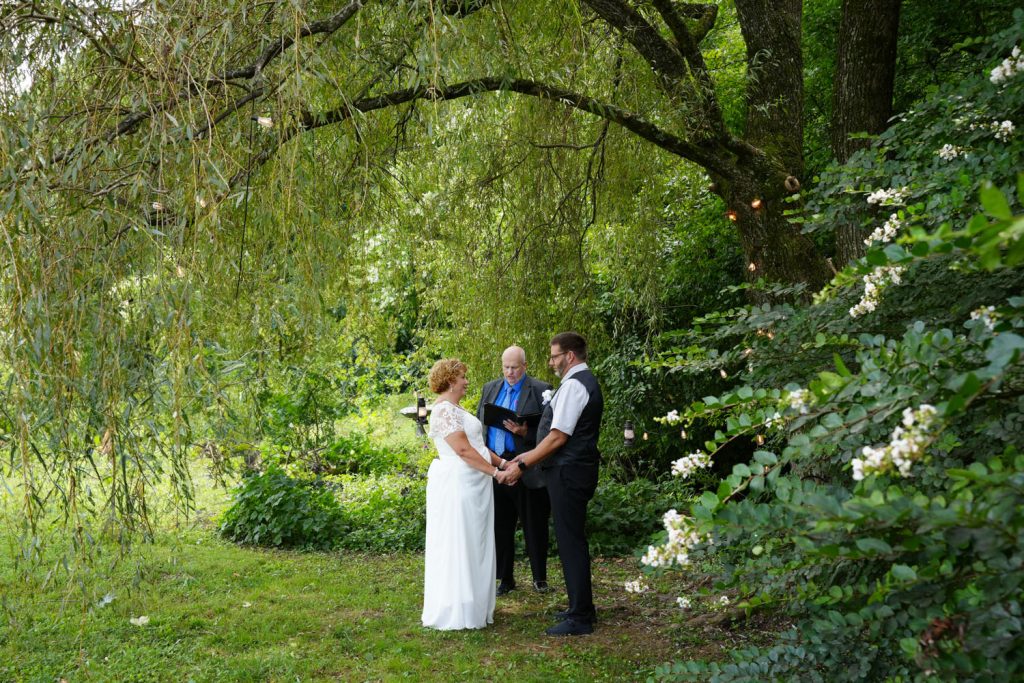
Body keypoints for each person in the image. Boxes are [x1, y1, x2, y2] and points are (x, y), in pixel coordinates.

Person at [499, 332, 604, 636]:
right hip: (573, 471)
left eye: (555, 356)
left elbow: (558, 437)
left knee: (571, 542)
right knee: (571, 540)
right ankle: (581, 607)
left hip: (569, 472)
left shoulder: (574, 385)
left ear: (570, 356)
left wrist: (521, 463)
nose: (551, 362)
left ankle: (580, 617)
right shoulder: (583, 382)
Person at [421, 358, 509, 630]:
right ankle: (458, 606)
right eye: (462, 377)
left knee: (475, 542)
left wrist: (503, 463)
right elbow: (462, 450)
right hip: (459, 484)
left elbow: (478, 447)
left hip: (475, 483)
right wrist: (495, 474)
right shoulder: (444, 411)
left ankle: (474, 603)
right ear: (450, 381)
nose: (466, 381)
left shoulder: (456, 409)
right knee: (459, 542)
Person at [476, 345, 553, 596]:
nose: (510, 372)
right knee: (500, 524)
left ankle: (539, 577)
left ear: (525, 366)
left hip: (527, 466)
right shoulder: (490, 388)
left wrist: (525, 432)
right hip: (497, 465)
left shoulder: (542, 390)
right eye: (506, 367)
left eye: (515, 367)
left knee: (534, 523)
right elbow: (480, 425)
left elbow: (552, 432)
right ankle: (505, 578)